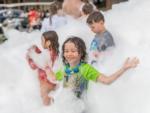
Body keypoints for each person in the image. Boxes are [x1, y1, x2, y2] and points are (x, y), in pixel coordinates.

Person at [49, 36, 139, 99]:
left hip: (81, 108)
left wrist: (123, 68)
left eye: (73, 51)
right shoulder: (65, 68)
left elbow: (107, 81)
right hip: (68, 106)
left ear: (81, 53)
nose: (69, 54)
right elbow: (53, 78)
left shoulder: (86, 69)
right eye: (66, 51)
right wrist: (45, 67)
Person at [26, 31, 59, 105]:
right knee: (53, 97)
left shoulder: (49, 54)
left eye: (42, 41)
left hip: (46, 80)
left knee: (46, 99)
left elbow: (35, 66)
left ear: (48, 42)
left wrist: (30, 58)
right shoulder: (53, 52)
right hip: (49, 79)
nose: (41, 43)